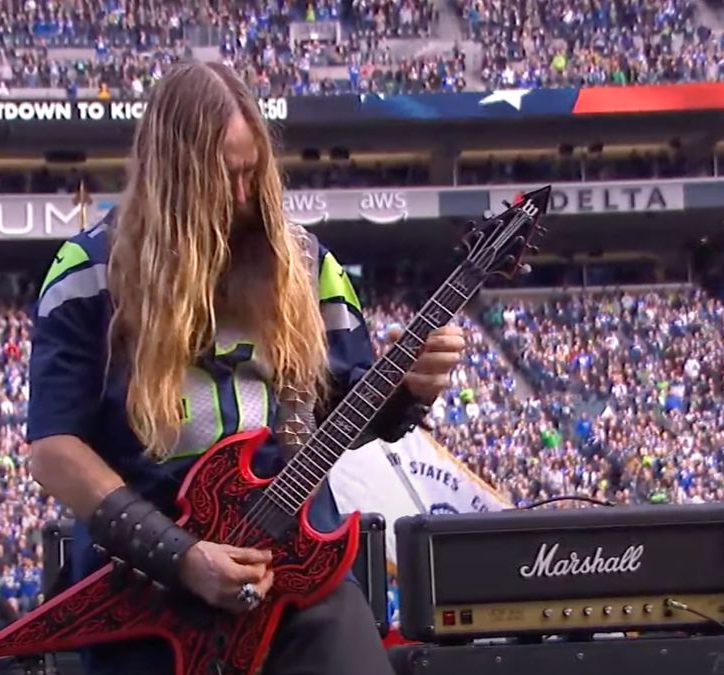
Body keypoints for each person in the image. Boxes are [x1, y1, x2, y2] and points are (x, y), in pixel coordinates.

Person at [27, 60, 466, 675]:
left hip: (299, 573)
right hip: (150, 593)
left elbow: (344, 415)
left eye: (250, 172)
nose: (241, 194)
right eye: (221, 177)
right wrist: (182, 555)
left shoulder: (306, 262)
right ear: (172, 177)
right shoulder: (87, 270)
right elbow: (52, 449)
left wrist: (408, 389)